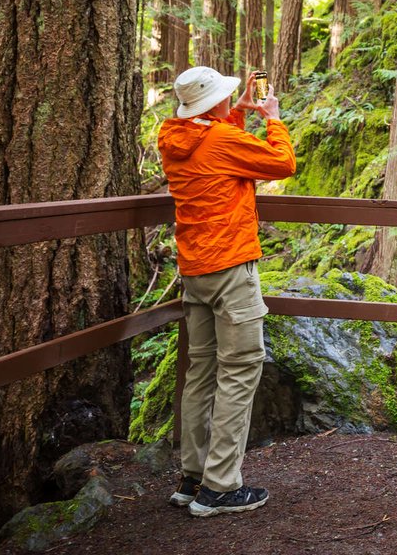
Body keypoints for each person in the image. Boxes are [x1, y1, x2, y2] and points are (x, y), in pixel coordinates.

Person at [157, 66, 296, 517]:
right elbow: (282, 164)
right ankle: (220, 487)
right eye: (226, 97)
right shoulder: (219, 140)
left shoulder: (174, 137)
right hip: (232, 267)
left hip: (194, 269)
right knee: (239, 370)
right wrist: (273, 118)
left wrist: (234, 113)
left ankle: (192, 478)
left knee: (200, 373)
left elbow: (212, 151)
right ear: (212, 104)